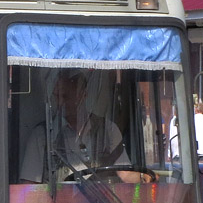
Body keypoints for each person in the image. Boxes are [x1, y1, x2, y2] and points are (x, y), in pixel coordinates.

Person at [20, 71, 150, 184]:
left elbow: (125, 174)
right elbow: (29, 186)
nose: (60, 103)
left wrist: (143, 177)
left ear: (83, 95)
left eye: (65, 96)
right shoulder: (42, 136)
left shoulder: (108, 131)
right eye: (57, 96)